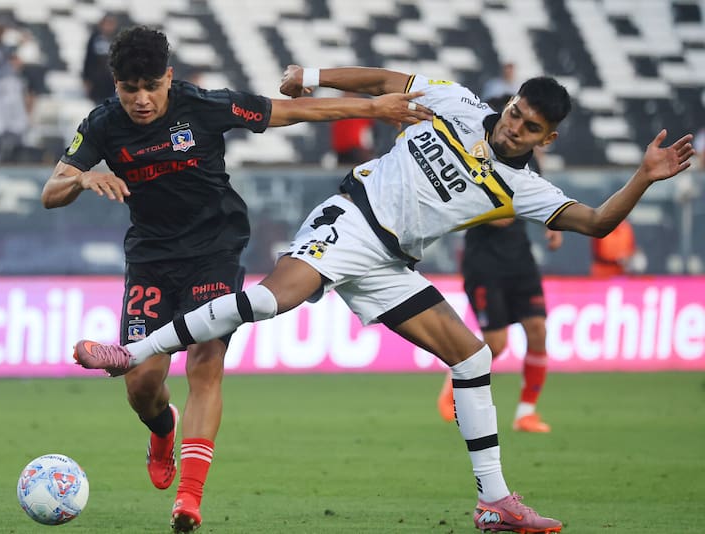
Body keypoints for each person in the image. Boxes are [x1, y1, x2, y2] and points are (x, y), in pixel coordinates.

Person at [72, 64, 694, 533]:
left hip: (391, 263)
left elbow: (595, 222)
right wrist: (312, 78)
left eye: (531, 127)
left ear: (547, 138)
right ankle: (135, 352)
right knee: (268, 301)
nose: (515, 126)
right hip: (352, 218)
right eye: (514, 113)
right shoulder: (456, 101)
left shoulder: (525, 187)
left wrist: (642, 176)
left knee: (473, 359)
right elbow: (386, 79)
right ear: (508, 103)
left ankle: (494, 502)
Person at [41, 27, 431, 534]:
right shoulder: (101, 124)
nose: (140, 99)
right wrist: (83, 177)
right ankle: (163, 431)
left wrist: (373, 108)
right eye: (128, 88)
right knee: (141, 383)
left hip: (215, 250)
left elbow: (293, 111)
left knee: (205, 364)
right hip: (152, 258)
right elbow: (52, 190)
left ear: (169, 77)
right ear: (114, 85)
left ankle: (189, 499)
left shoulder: (202, 106)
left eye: (152, 86)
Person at [437, 93, 562, 433]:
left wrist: (551, 225)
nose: (516, 129)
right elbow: (462, 200)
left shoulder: (530, 158)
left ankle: (526, 412)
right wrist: (491, 214)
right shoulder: (473, 151)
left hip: (520, 257)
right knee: (496, 344)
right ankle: (453, 386)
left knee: (538, 330)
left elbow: (538, 193)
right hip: (483, 261)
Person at [82, 14, 120, 105]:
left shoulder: (118, 39)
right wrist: (86, 79)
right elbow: (88, 59)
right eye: (107, 24)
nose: (108, 27)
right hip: (97, 82)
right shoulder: (94, 39)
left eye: (111, 24)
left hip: (112, 82)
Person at [331, 92, 376, 164]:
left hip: (356, 149)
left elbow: (368, 130)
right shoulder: (338, 110)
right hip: (342, 150)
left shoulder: (361, 110)